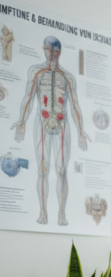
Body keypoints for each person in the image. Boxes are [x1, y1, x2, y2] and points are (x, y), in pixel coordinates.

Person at [11, 36, 89, 226]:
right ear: (44, 51)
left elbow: (75, 106)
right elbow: (28, 98)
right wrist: (22, 120)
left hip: (62, 123)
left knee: (62, 171)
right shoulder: (36, 72)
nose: (50, 54)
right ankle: (44, 212)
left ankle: (61, 214)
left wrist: (80, 130)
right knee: (43, 170)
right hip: (43, 121)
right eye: (47, 50)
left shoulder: (68, 77)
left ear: (58, 52)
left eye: (53, 51)